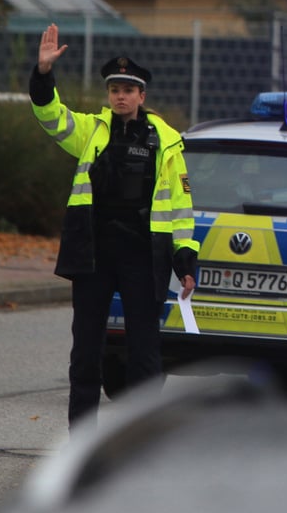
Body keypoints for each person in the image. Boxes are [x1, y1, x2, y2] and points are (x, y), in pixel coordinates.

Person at [30, 23, 200, 428]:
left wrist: (186, 262)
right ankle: (83, 441)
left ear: (142, 95)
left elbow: (180, 206)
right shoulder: (92, 130)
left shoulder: (167, 141)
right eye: (114, 90)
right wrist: (43, 74)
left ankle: (137, 438)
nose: (120, 97)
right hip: (94, 253)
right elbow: (50, 116)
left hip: (144, 255)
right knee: (86, 352)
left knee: (144, 354)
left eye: (127, 90)